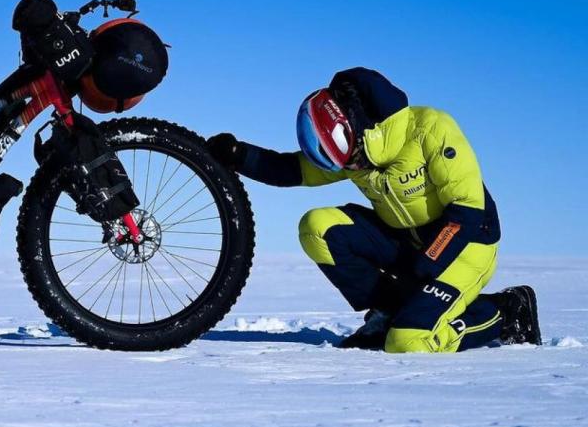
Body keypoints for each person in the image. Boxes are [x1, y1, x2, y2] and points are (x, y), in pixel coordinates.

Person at [207, 67, 541, 352]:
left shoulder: (430, 130)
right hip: (406, 244)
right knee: (317, 227)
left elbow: (468, 212)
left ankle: (504, 312)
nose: (342, 166)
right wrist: (238, 155)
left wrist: (421, 272)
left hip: (466, 246)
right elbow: (291, 169)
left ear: (362, 127)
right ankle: (389, 310)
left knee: (409, 341)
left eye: (338, 153)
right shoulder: (354, 153)